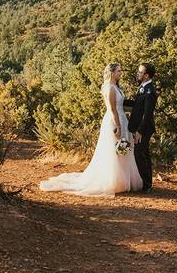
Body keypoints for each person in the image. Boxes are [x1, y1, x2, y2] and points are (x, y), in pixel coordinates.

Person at [38, 62, 143, 196]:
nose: (120, 73)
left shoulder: (116, 87)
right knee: (115, 150)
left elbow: (121, 105)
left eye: (120, 71)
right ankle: (114, 180)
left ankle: (123, 180)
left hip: (122, 119)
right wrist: (118, 126)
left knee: (123, 148)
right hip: (114, 121)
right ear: (111, 73)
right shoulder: (110, 88)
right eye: (118, 71)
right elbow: (112, 109)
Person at [125, 62, 156, 192]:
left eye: (140, 72)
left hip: (144, 129)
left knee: (139, 154)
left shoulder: (150, 91)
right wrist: (120, 101)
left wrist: (139, 131)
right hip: (141, 128)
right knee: (144, 154)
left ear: (146, 75)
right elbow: (137, 106)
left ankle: (147, 184)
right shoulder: (143, 88)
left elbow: (147, 114)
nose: (138, 74)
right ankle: (148, 182)